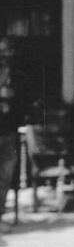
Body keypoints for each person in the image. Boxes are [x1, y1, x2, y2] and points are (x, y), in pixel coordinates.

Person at [0, 37, 21, 232]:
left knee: (6, 175)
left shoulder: (17, 73)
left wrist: (12, 95)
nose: (4, 55)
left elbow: (24, 97)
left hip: (9, 130)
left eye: (7, 51)